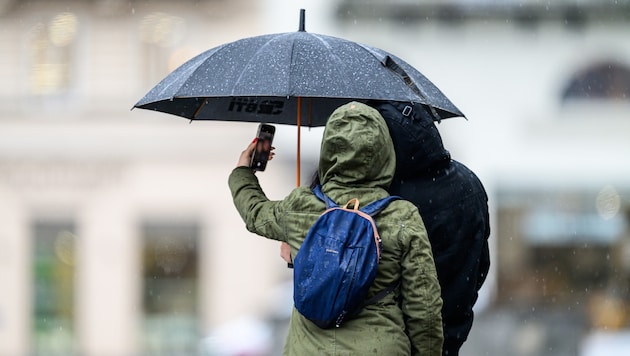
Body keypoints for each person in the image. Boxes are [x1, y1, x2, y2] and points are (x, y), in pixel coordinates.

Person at [229, 101, 443, 355]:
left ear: (329, 150)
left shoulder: (301, 206)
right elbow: (425, 307)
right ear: (384, 151)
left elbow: (255, 213)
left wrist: (243, 171)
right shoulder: (402, 216)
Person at [372, 101, 491, 356]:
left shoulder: (386, 196)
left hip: (391, 340)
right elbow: (481, 265)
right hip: (450, 336)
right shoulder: (469, 183)